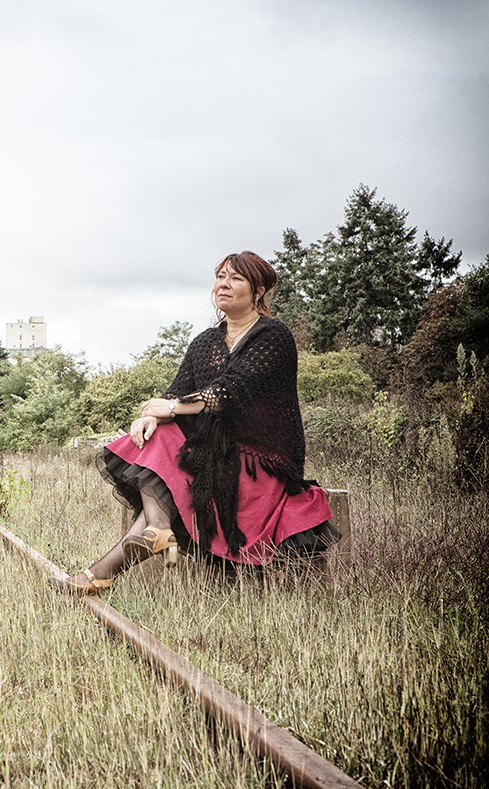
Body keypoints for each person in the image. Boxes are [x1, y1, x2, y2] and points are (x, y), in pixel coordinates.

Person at [49, 251, 339, 595]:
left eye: (235, 278)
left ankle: (107, 568)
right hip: (213, 455)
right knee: (158, 432)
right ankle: (152, 533)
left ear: (258, 290)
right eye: (220, 277)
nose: (224, 285)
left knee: (168, 432)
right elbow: (177, 390)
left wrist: (170, 407)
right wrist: (149, 417)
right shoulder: (205, 342)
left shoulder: (273, 336)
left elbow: (229, 391)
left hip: (258, 464)